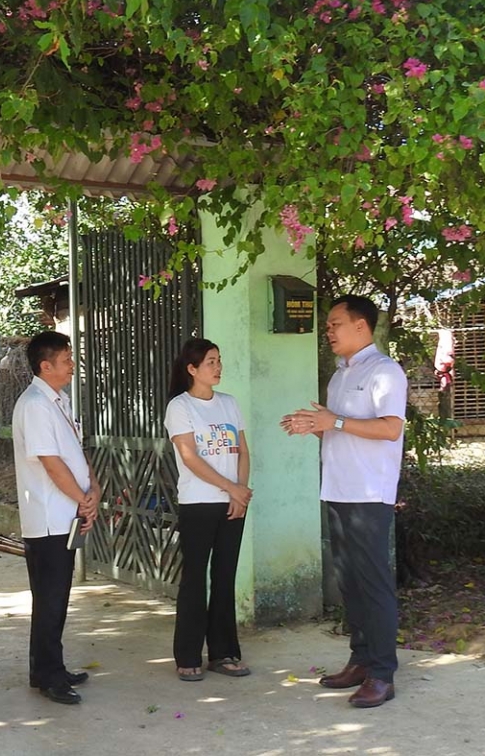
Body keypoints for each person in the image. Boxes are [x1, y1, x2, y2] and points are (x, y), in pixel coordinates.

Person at [280, 295, 407, 709]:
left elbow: (389, 429)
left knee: (373, 583)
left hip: (370, 493)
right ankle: (361, 659)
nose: (329, 331)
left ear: (361, 327)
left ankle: (383, 674)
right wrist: (314, 425)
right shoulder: (339, 376)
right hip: (337, 488)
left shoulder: (385, 372)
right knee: (349, 581)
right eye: (328, 325)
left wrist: (332, 420)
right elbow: (343, 430)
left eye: (336, 324)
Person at [11, 330, 101, 704]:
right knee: (49, 599)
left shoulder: (57, 400)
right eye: (66, 360)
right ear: (44, 365)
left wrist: (92, 490)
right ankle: (49, 676)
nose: (72, 366)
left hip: (67, 512)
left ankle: (49, 667)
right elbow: (50, 462)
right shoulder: (34, 404)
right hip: (49, 518)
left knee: (57, 597)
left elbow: (74, 454)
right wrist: (83, 498)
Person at [163, 338, 252, 681]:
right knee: (195, 580)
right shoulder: (180, 407)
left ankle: (224, 652)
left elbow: (242, 451)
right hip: (199, 503)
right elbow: (189, 456)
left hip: (232, 502)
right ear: (192, 369)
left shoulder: (229, 404)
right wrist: (231, 487)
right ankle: (188, 655)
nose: (218, 367)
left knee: (225, 577)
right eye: (210, 362)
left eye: (219, 360)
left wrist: (239, 492)